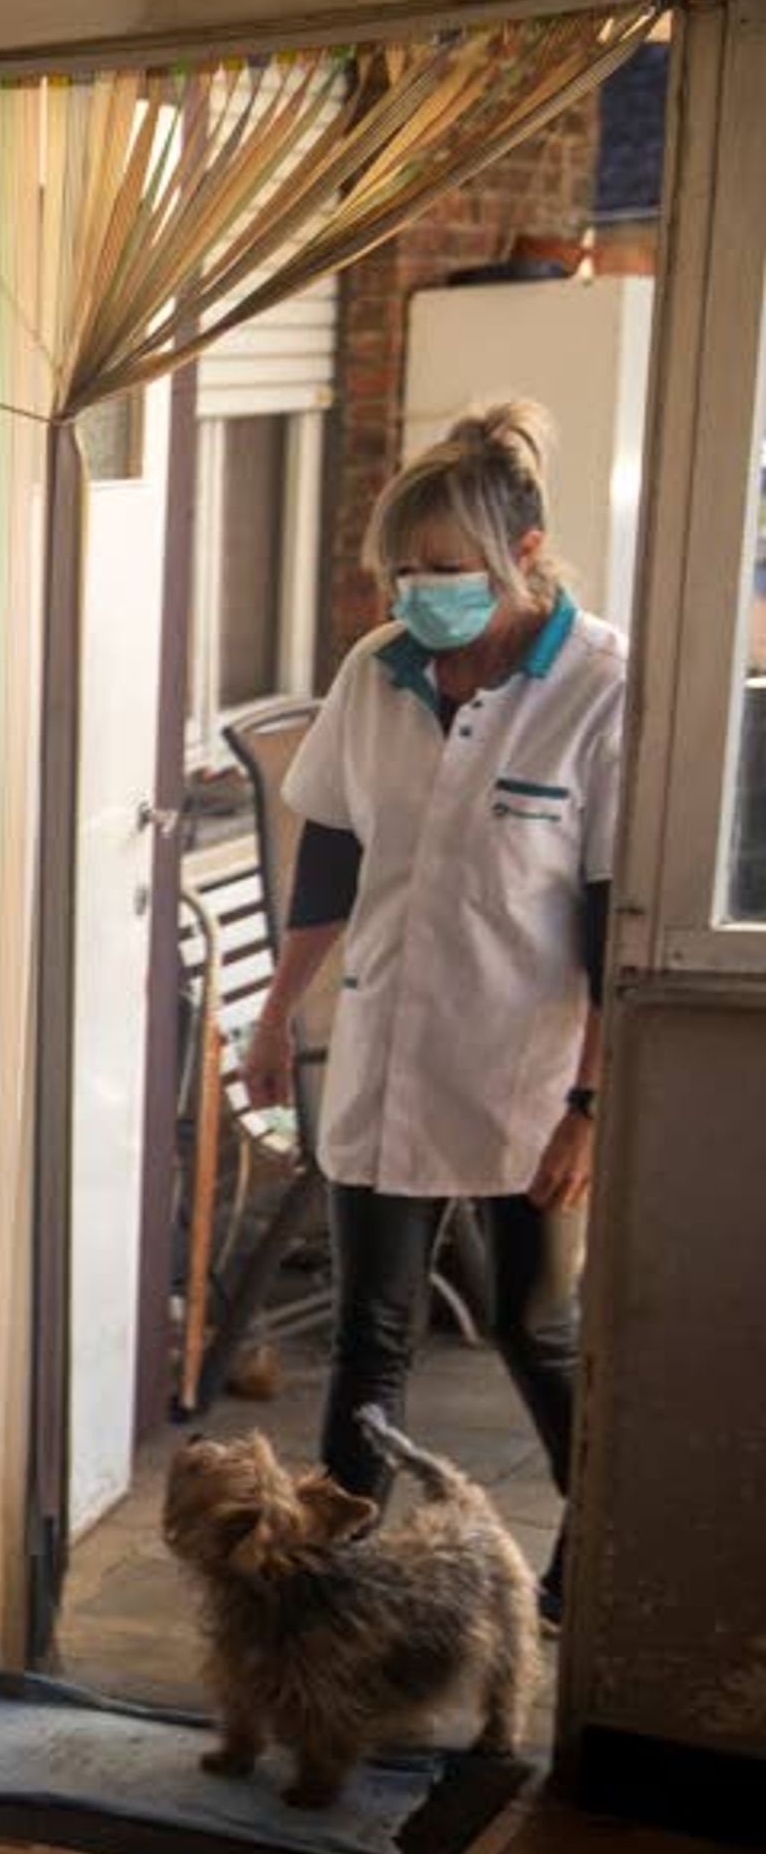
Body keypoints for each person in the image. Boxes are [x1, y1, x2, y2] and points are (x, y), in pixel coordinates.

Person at [249, 401, 612, 1622]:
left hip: (528, 1064)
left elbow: (614, 915)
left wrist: (589, 1108)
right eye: (403, 572)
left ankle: (598, 1560)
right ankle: (331, 1593)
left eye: (448, 573)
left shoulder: (601, 686)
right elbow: (331, 858)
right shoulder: (379, 669)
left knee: (532, 1324)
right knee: (371, 1334)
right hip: (387, 1045)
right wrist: (272, 1010)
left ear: (528, 554)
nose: (421, 596)